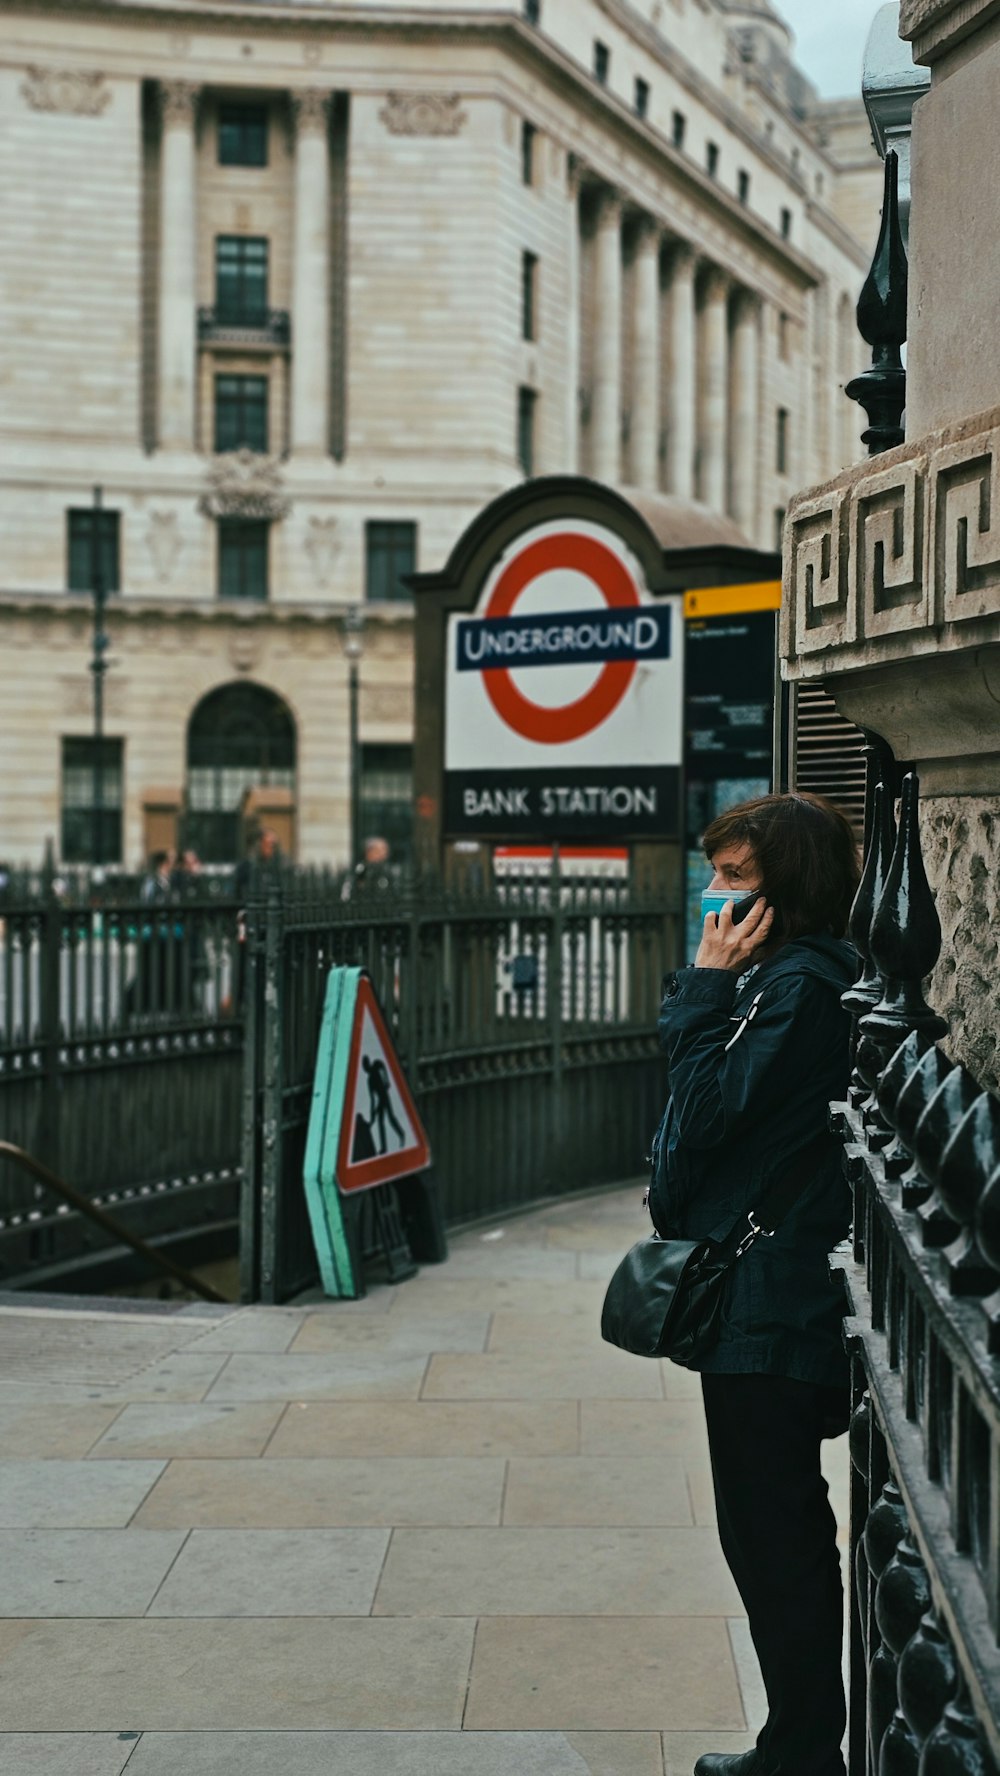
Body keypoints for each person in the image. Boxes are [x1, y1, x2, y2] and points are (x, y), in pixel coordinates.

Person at [647, 791, 860, 1776]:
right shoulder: (777, 982)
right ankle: (799, 1738)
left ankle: (801, 1748)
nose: (715, 894)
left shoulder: (795, 990)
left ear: (783, 890)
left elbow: (696, 1123)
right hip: (764, 1280)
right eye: (717, 872)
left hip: (769, 1295)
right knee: (769, 1527)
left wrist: (699, 989)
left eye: (733, 876)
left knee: (771, 1533)